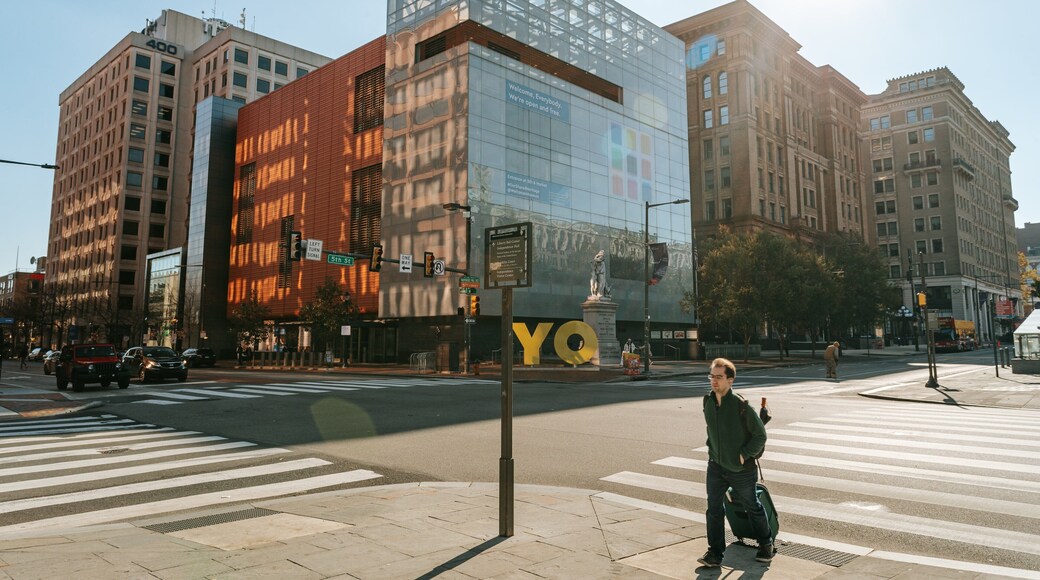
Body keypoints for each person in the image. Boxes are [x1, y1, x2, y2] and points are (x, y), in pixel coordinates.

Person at [698, 357, 773, 568]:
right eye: (712, 376)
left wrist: (744, 454)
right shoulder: (708, 402)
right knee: (713, 508)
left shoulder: (742, 406)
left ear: (730, 380)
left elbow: (760, 435)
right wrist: (712, 449)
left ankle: (765, 543)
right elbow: (711, 430)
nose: (714, 381)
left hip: (741, 469)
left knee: (752, 506)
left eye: (719, 377)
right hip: (716, 465)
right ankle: (715, 553)